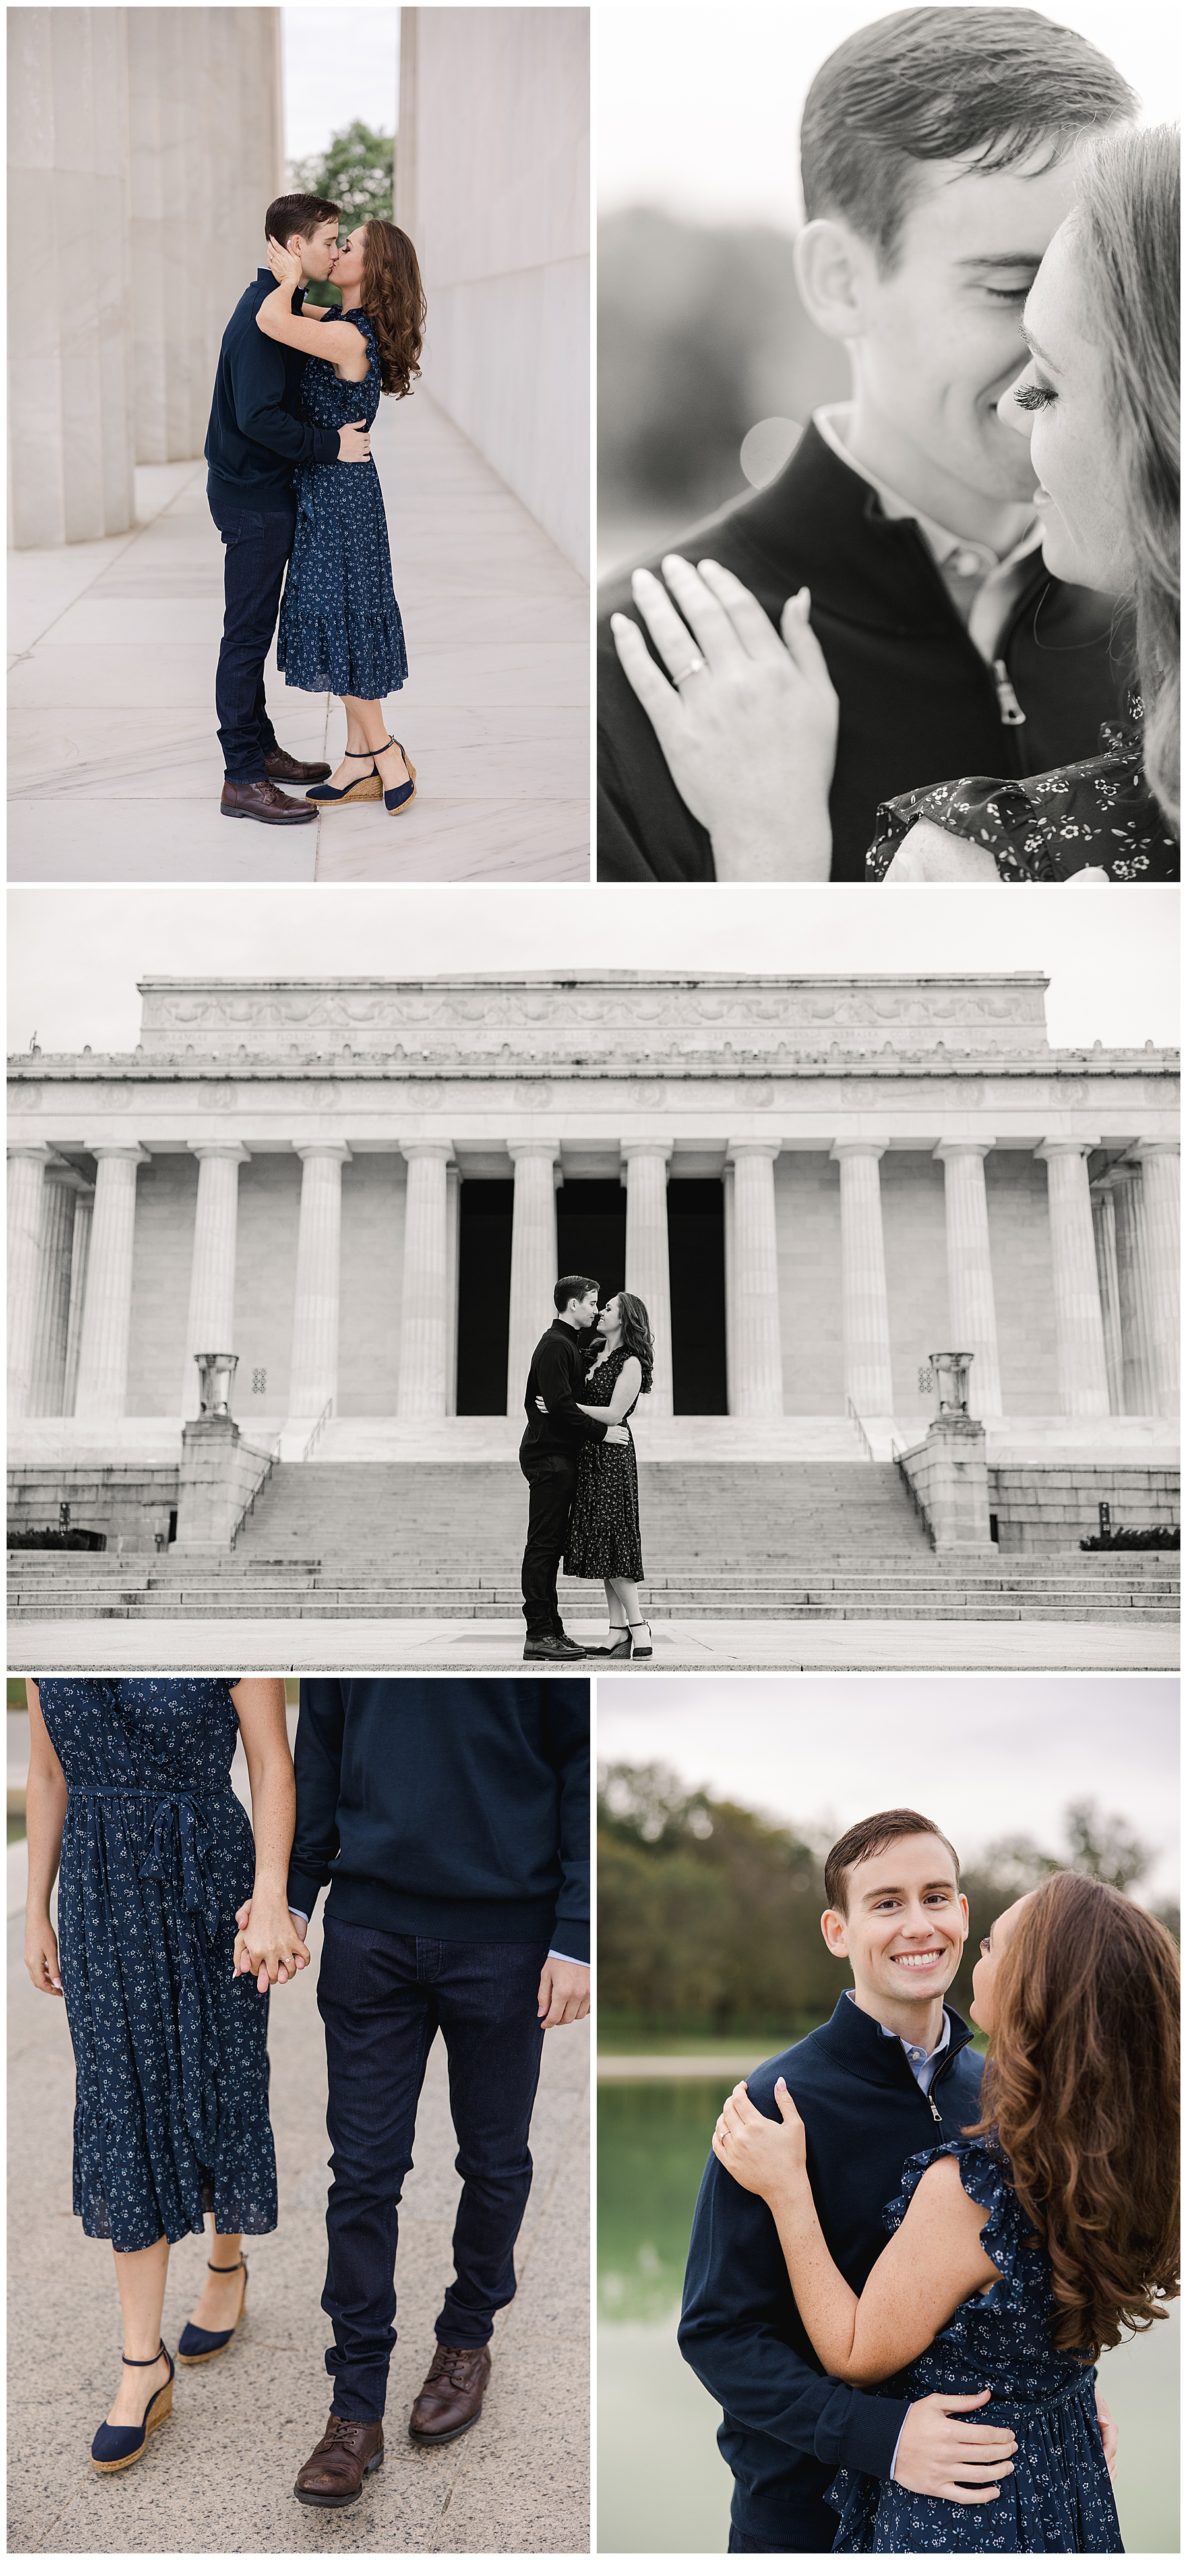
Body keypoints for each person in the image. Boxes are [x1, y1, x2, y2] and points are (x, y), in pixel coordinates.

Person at [597, 8, 1136, 882]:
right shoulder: (632, 667)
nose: (1064, 341)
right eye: (1012, 286)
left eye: (1104, 287)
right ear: (840, 282)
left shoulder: (1165, 620)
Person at [678, 1809, 1120, 2553]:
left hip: (988, 2503)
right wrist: (879, 2438)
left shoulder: (1006, 2091)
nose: (918, 1923)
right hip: (806, 2512)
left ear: (963, 1913)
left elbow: (1025, 2275)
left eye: (935, 1897)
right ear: (837, 1932)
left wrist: (1056, 2380)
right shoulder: (776, 2103)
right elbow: (719, 2335)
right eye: (886, 1904)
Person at [234, 1680, 590, 2512]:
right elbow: (319, 1756)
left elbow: (578, 1761)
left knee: (495, 2160)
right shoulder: (349, 1633)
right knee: (361, 2174)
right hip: (370, 1935)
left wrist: (576, 1934)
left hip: (506, 1937)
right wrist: (289, 1898)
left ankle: (466, 2340)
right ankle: (353, 2406)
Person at [23, 1678, 305, 2475]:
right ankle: (140, 2365)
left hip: (211, 1878)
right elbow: (48, 1776)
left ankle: (226, 2262)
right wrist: (36, 1908)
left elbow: (271, 1764)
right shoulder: (44, 1636)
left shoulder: (222, 1630)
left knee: (221, 2078)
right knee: (120, 2104)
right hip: (97, 1886)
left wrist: (272, 1895)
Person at [205, 193, 373, 827]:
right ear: (295, 246)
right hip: (252, 496)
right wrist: (331, 444)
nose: (335, 249)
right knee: (245, 637)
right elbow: (257, 417)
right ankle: (242, 778)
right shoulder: (259, 317)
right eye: (329, 239)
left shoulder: (275, 304)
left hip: (260, 490)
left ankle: (263, 750)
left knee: (252, 631)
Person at [258, 218, 425, 817]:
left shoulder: (350, 338)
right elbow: (296, 321)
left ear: (372, 269)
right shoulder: (345, 326)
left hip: (339, 495)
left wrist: (290, 272)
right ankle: (358, 759)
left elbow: (272, 321)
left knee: (342, 614)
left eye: (346, 247)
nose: (338, 252)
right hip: (334, 484)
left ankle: (383, 748)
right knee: (342, 612)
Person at [519, 1275, 629, 1663]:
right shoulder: (555, 1346)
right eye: (591, 1302)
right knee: (543, 1546)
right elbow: (559, 1408)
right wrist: (602, 1433)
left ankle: (552, 1630)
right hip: (548, 1456)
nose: (596, 1309)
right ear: (572, 1305)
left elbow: (562, 1404)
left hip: (559, 1456)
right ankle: (539, 1633)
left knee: (548, 1547)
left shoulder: (568, 1345)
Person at [550, 1289, 654, 1658]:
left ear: (625, 1318)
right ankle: (616, 1630)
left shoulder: (631, 1362)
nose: (601, 1312)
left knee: (614, 1542)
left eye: (608, 1308)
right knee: (602, 1546)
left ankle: (639, 1626)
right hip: (589, 1453)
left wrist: (565, 1406)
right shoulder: (593, 1353)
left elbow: (614, 1414)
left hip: (613, 1455)